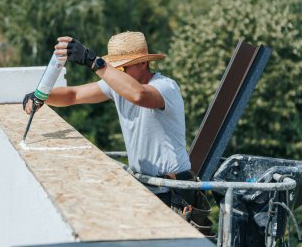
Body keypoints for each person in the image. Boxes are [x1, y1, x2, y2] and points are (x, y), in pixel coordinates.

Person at [23, 31, 194, 207]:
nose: (118, 73)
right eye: (116, 68)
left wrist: (93, 62)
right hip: (147, 186)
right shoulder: (119, 87)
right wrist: (41, 95)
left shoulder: (165, 87)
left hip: (173, 191)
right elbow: (74, 95)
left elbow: (139, 95)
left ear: (143, 63)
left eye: (123, 68)